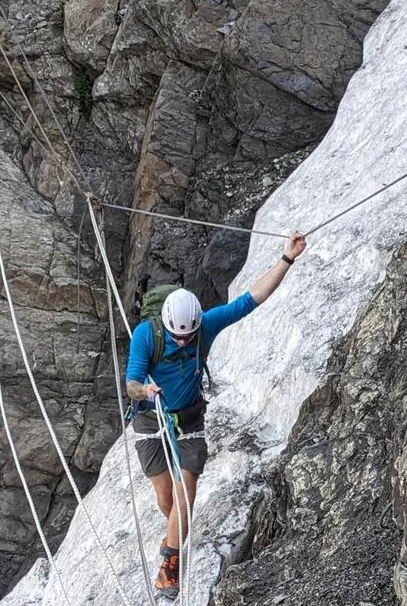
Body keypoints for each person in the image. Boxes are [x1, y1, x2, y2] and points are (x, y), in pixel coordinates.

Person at [125, 232, 307, 597]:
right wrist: (146, 389)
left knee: (185, 495)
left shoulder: (204, 325)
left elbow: (250, 300)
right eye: (178, 337)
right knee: (166, 499)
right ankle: (176, 533)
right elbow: (130, 382)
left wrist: (287, 259)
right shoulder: (147, 334)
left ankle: (169, 567)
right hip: (151, 419)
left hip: (189, 419)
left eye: (188, 337)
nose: (183, 342)